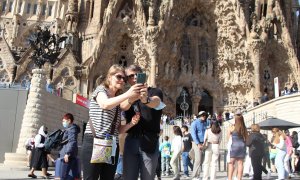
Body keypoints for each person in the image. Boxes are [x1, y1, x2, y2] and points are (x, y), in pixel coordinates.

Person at [81, 64, 143, 180]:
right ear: (109, 77)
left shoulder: (118, 100)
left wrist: (131, 124)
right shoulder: (101, 90)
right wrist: (128, 94)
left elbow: (118, 129)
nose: (122, 80)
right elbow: (105, 104)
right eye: (118, 77)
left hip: (111, 143)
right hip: (94, 141)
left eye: (124, 79)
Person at [121, 64, 164, 180]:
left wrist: (145, 99)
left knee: (148, 177)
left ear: (143, 75)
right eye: (130, 76)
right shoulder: (126, 96)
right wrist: (132, 97)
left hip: (149, 141)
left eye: (137, 74)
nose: (134, 77)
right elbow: (123, 106)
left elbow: (156, 102)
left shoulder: (155, 91)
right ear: (127, 80)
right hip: (131, 141)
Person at [55, 113, 81, 179]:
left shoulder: (72, 129)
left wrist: (67, 153)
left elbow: (72, 141)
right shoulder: (70, 129)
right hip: (70, 154)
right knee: (74, 176)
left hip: (67, 155)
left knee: (62, 176)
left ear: (69, 121)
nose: (62, 123)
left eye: (64, 121)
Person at [227, 114, 248, 180]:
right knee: (240, 163)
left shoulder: (232, 127)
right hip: (242, 146)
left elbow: (228, 138)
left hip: (234, 146)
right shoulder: (244, 128)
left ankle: (230, 178)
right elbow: (247, 138)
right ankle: (239, 178)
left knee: (231, 163)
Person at [190, 111, 208, 180]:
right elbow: (193, 134)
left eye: (205, 115)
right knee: (198, 160)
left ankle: (198, 175)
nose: (204, 116)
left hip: (203, 143)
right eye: (203, 115)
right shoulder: (194, 123)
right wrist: (198, 143)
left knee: (201, 160)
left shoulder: (205, 123)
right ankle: (194, 176)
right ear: (199, 116)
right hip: (197, 143)